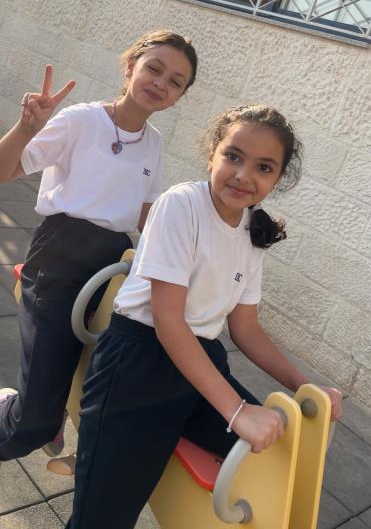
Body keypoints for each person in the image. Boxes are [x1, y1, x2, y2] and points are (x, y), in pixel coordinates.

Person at [65, 104, 342, 529]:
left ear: (278, 178)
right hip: (137, 365)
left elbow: (246, 329)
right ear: (212, 153)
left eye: (264, 167)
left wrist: (305, 387)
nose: (244, 175)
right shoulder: (182, 205)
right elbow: (169, 322)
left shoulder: (252, 230)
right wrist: (237, 411)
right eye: (233, 156)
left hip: (198, 364)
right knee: (103, 519)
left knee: (278, 454)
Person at [0, 29, 198, 462]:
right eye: (154, 69)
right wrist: (26, 128)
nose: (161, 84)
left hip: (113, 264)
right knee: (30, 423)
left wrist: (187, 255)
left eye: (175, 81)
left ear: (179, 96)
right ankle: (18, 412)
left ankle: (49, 413)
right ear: (130, 67)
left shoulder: (154, 143)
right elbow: (4, 170)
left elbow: (146, 216)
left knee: (98, 367)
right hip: (59, 254)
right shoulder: (81, 120)